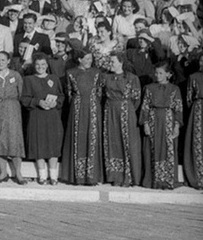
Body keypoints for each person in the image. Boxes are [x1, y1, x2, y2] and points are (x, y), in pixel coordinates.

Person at [0, 51, 27, 184]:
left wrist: (10, 103)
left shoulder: (15, 75)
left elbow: (21, 93)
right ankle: (3, 173)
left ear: (8, 61)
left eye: (3, 60)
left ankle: (18, 173)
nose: (0, 62)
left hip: (12, 108)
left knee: (14, 138)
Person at [60, 50, 104, 186]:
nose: (89, 61)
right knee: (77, 137)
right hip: (77, 107)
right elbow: (68, 94)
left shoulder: (96, 73)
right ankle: (76, 176)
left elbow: (99, 93)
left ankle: (91, 176)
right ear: (79, 59)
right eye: (86, 59)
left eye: (91, 59)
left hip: (93, 107)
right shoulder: (70, 73)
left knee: (92, 137)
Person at [20, 54, 64, 185]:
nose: (41, 67)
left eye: (43, 64)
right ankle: (42, 176)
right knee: (38, 144)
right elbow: (24, 99)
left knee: (53, 145)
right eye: (38, 64)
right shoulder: (28, 80)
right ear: (34, 65)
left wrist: (56, 103)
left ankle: (54, 176)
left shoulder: (54, 79)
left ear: (47, 65)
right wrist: (38, 102)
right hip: (37, 116)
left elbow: (61, 96)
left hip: (52, 117)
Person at [100, 52, 141, 187]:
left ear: (121, 62)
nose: (110, 64)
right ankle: (114, 175)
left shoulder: (131, 78)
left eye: (113, 62)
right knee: (112, 141)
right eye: (109, 62)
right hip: (109, 110)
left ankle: (127, 176)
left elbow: (136, 99)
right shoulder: (105, 77)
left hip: (125, 111)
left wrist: (126, 109)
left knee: (126, 141)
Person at [139, 63, 183, 189]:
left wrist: (176, 125)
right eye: (156, 73)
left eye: (161, 73)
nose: (158, 76)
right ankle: (153, 180)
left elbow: (178, 108)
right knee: (153, 148)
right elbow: (145, 107)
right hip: (153, 120)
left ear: (168, 74)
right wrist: (145, 123)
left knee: (167, 148)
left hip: (168, 120)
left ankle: (167, 180)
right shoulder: (149, 88)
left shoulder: (174, 89)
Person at [182, 61, 203, 190]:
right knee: (197, 142)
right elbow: (189, 99)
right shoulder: (193, 77)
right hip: (198, 110)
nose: (201, 63)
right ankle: (198, 178)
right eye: (200, 60)